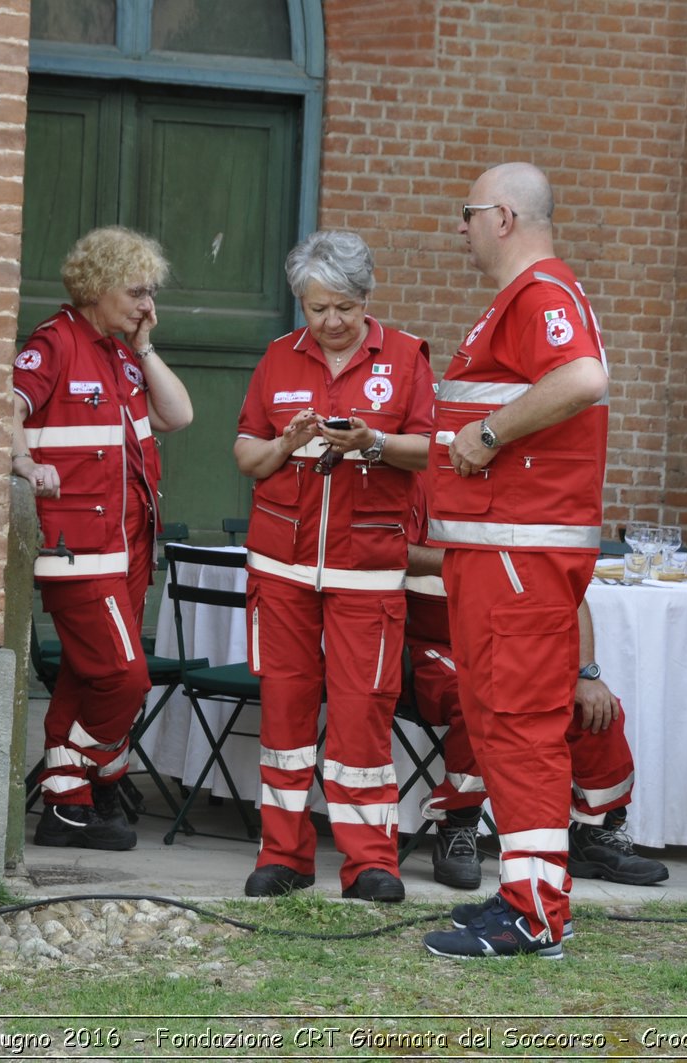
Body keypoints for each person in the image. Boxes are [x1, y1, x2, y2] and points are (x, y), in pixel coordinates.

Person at [419, 163, 611, 960]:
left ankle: (535, 912)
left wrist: (489, 432)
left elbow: (583, 376)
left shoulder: (540, 294)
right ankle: (523, 896)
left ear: (502, 216)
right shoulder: (520, 300)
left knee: (521, 728)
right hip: (498, 555)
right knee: (500, 723)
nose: (457, 228)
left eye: (466, 214)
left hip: (517, 557)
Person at [233, 230, 435, 903]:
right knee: (284, 717)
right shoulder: (275, 359)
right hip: (282, 567)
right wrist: (285, 442)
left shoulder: (406, 357)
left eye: (344, 306)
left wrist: (374, 441)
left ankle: (371, 863)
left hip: (367, 570)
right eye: (317, 308)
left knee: (361, 717)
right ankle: (282, 855)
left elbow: (431, 451)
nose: (331, 322)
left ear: (366, 298)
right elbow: (246, 454)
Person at [12, 226, 193, 851]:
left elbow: (178, 415)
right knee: (124, 678)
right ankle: (98, 771)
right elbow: (5, 408)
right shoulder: (55, 343)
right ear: (96, 287)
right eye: (136, 291)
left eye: (151, 292)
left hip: (130, 546)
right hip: (77, 550)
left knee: (87, 676)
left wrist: (144, 347)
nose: (147, 304)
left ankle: (66, 805)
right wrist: (23, 464)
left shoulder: (120, 354)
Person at [404, 491, 668, 893]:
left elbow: (568, 592)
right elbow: (393, 549)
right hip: (433, 642)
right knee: (479, 697)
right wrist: (478, 561)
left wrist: (585, 673)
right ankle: (457, 825)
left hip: (506, 639)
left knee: (593, 706)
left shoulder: (519, 494)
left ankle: (594, 832)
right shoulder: (417, 483)